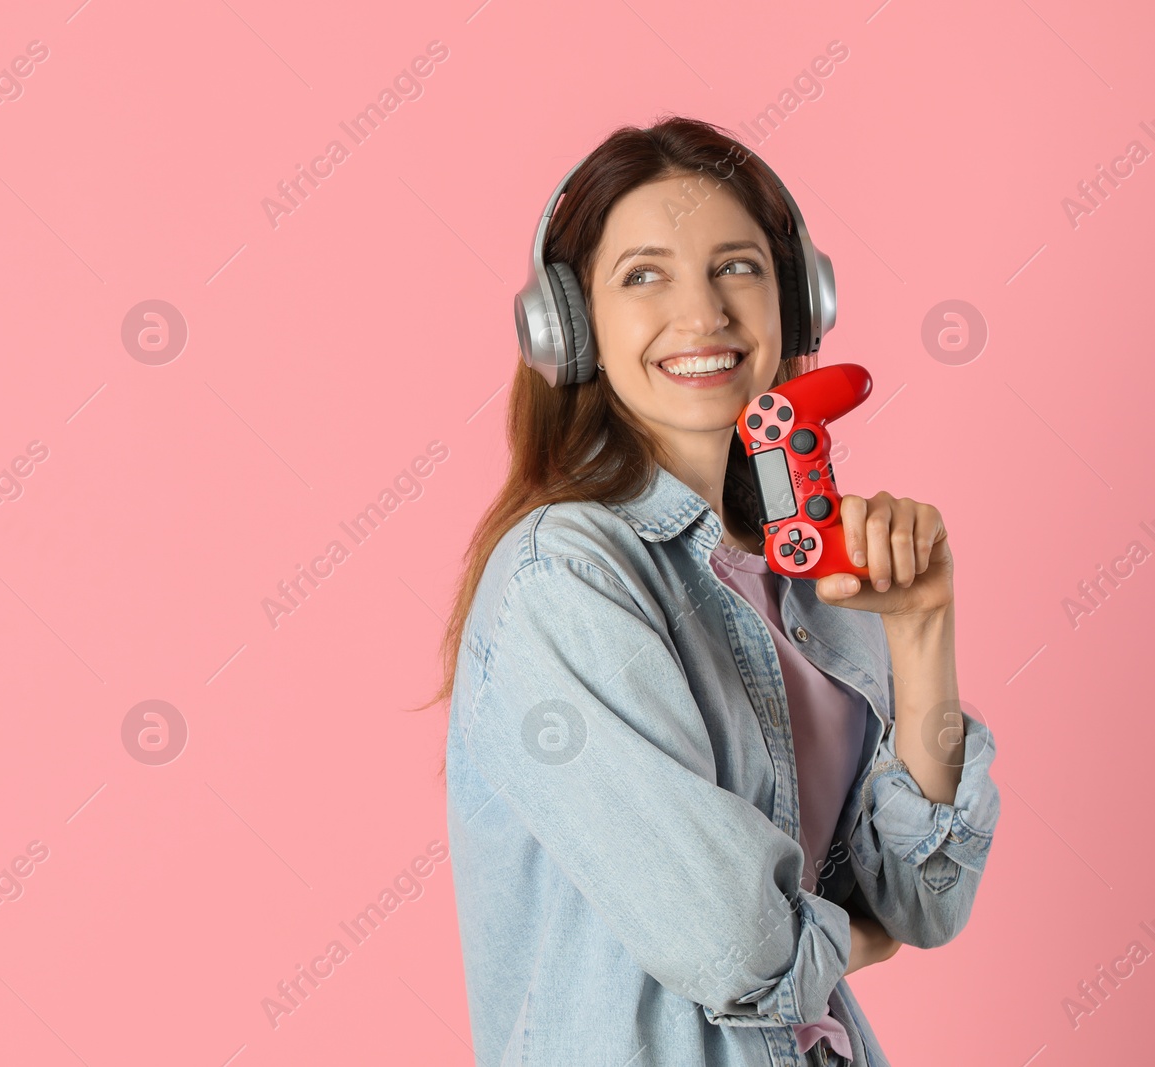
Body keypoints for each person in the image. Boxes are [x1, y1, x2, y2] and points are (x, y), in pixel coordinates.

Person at [423, 116, 1001, 1065]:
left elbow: (924, 897)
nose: (702, 314)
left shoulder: (809, 579)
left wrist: (921, 626)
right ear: (568, 328)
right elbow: (733, 942)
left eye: (735, 267)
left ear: (796, 305)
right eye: (643, 275)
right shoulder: (562, 577)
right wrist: (857, 940)